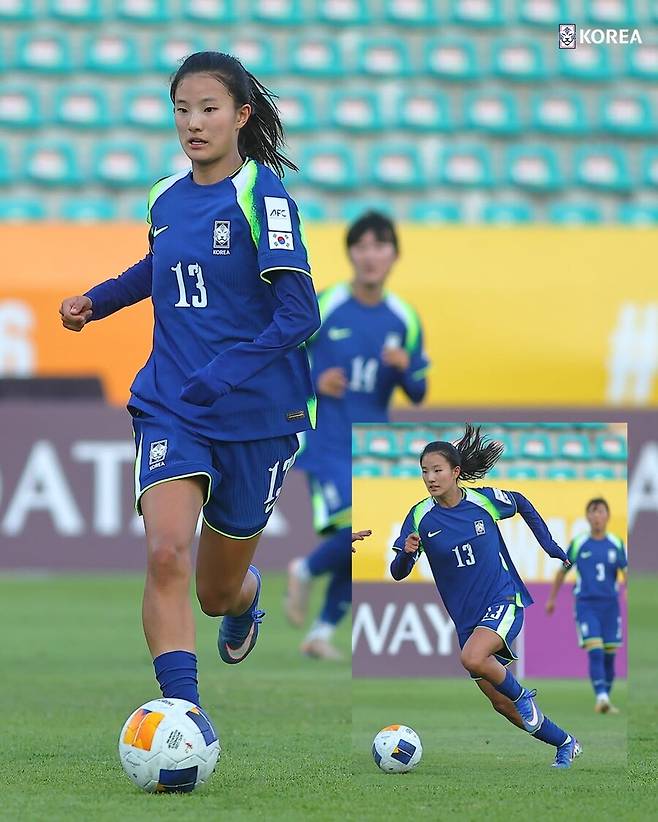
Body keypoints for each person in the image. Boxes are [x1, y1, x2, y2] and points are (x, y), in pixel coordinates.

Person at [59, 51, 320, 718]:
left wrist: (225, 373)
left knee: (214, 591)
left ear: (241, 115)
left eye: (208, 109)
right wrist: (98, 299)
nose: (193, 123)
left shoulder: (265, 197)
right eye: (182, 110)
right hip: (172, 404)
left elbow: (300, 314)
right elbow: (159, 264)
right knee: (167, 554)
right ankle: (185, 717)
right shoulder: (164, 196)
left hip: (257, 418)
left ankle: (246, 598)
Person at [391, 424, 582, 769]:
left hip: (503, 600)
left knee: (474, 659)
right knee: (500, 704)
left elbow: (521, 502)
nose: (430, 478)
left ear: (455, 472)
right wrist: (406, 554)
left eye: (437, 470)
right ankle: (565, 743)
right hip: (466, 620)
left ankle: (524, 694)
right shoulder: (419, 516)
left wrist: (551, 547)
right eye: (424, 472)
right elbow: (398, 571)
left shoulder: (483, 501)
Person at [286, 213, 429, 659]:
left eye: (379, 247)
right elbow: (281, 358)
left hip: (372, 447)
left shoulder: (403, 317)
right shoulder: (326, 304)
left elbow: (420, 392)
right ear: (350, 253)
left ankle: (321, 632)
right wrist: (313, 378)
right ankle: (305, 569)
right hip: (326, 439)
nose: (370, 256)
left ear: (394, 256)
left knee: (363, 539)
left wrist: (407, 368)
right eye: (362, 247)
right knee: (353, 527)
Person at [546, 497, 627, 714]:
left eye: (600, 511)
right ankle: (601, 697)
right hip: (586, 605)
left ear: (607, 516)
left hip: (610, 606)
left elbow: (626, 571)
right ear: (588, 517)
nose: (597, 516)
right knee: (596, 651)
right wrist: (552, 599)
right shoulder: (580, 543)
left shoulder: (616, 543)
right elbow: (562, 571)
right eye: (593, 512)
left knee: (610, 655)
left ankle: (605, 699)